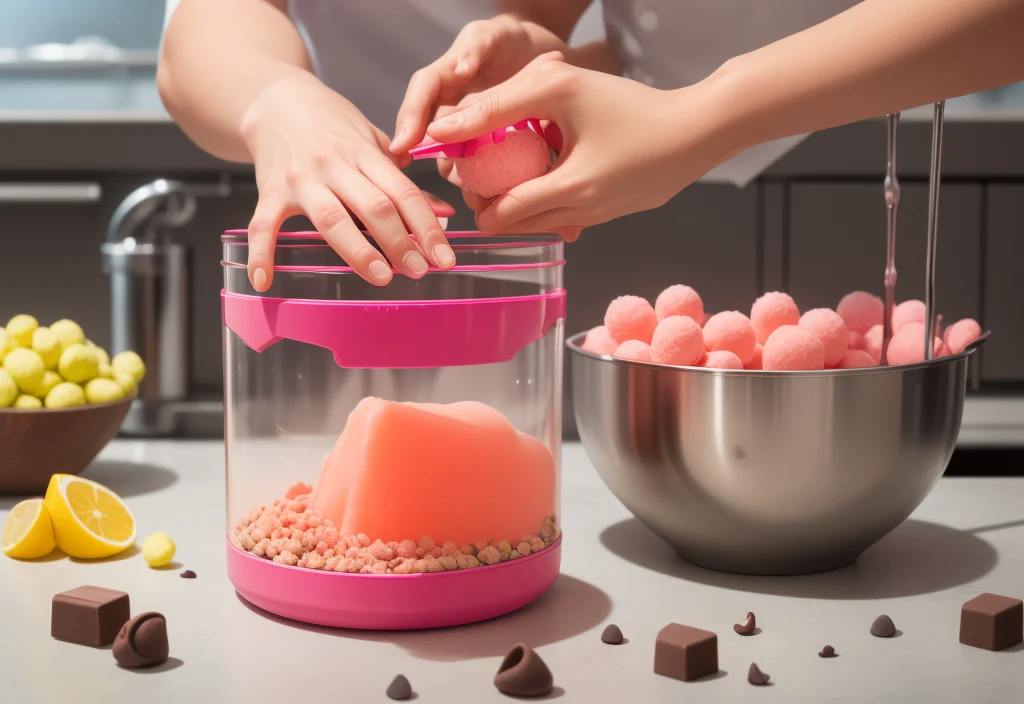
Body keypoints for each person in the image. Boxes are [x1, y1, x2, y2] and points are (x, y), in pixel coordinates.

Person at [396, 0, 1024, 240]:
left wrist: (708, 113)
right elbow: (647, 31)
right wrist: (555, 53)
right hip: (680, 180)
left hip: (870, 155)